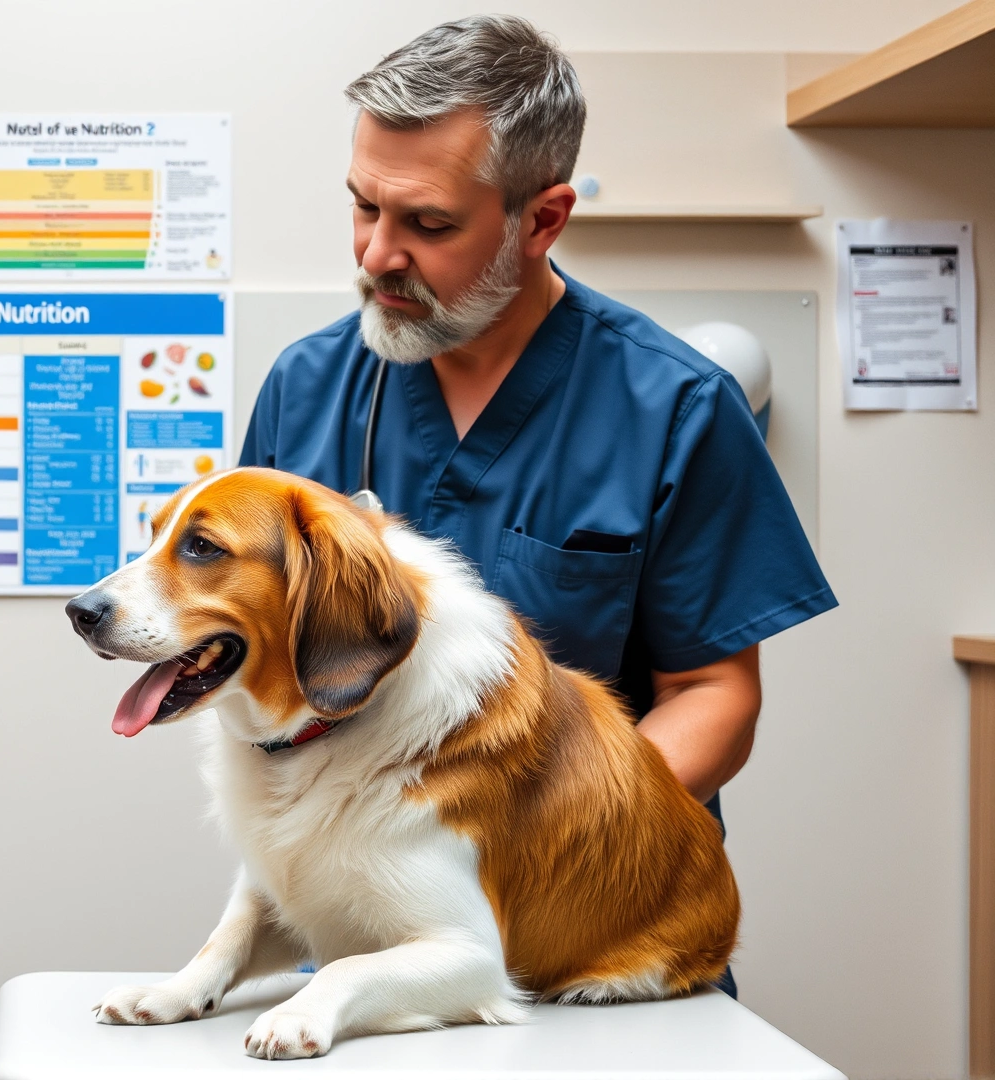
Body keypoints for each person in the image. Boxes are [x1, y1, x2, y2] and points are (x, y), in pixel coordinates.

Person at [240, 14, 836, 996]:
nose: (378, 255)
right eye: (362, 208)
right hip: (372, 952)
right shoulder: (307, 391)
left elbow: (714, 694)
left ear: (543, 219)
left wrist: (541, 842)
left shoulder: (676, 408)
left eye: (427, 225)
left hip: (598, 937)